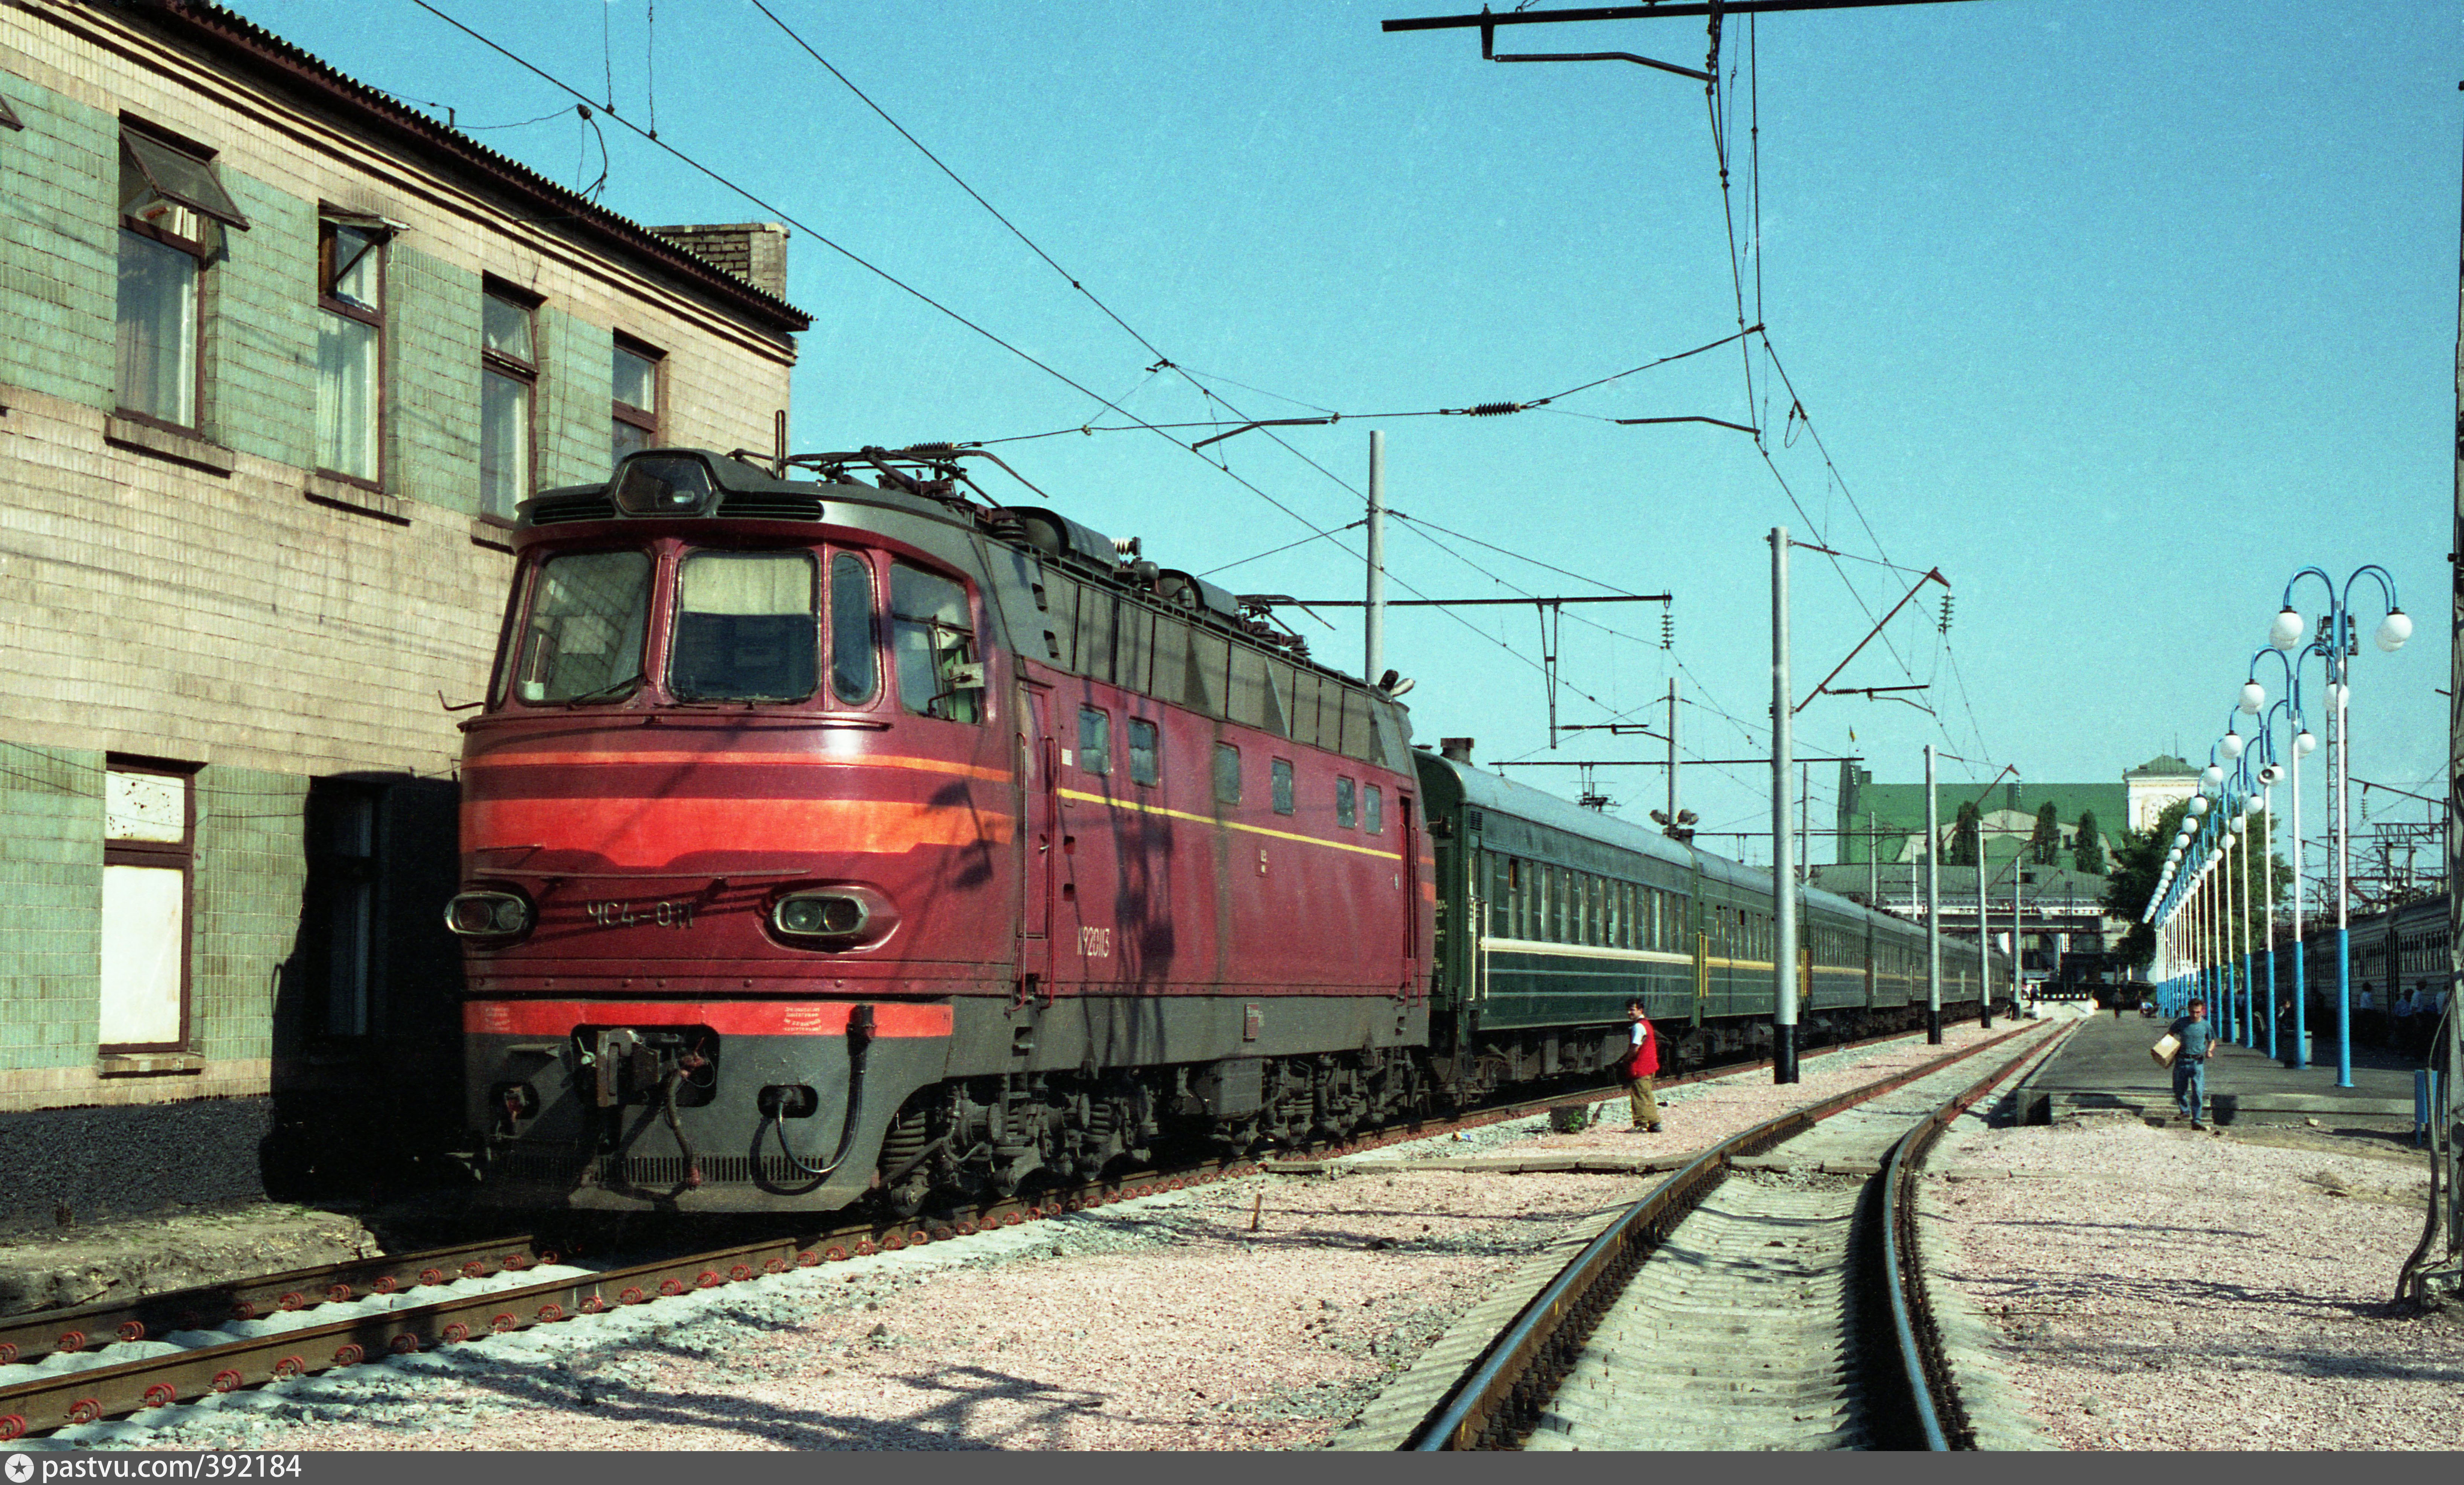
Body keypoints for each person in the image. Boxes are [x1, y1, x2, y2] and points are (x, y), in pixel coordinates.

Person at [2168, 998, 2217, 1129]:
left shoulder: (2206, 1025)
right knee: (2179, 1090)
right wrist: (2167, 1049)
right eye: (2192, 1012)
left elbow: (2212, 1040)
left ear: (2202, 1012)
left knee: (2198, 1091)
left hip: (2197, 1062)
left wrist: (2210, 1050)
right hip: (2182, 1061)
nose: (2195, 1015)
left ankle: (2197, 1119)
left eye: (2198, 1012)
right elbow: (2170, 1035)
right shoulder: (2181, 1023)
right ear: (2188, 1010)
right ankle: (2185, 1111)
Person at [1623, 999, 1662, 1133]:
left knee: (1639, 1096)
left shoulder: (1638, 1026)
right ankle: (1655, 1123)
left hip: (1641, 1066)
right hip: (1649, 1066)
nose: (1629, 1013)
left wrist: (1627, 1060)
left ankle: (1640, 1124)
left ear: (1641, 1010)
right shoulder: (1647, 1024)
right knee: (1647, 1095)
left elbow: (1635, 1047)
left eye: (1632, 1010)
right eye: (1629, 1010)